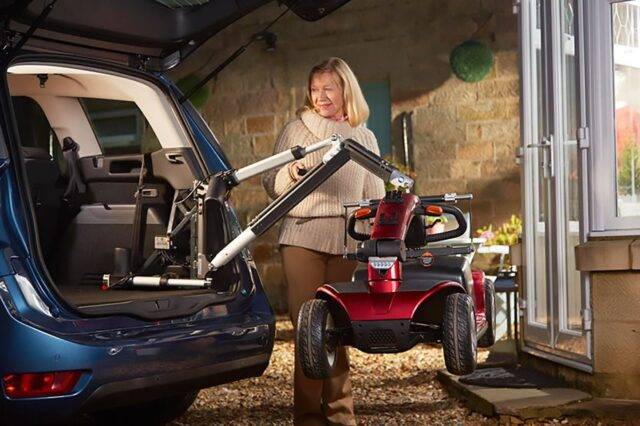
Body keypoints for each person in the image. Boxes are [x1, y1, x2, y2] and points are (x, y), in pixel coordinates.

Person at [262, 57, 385, 425]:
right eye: (315, 89)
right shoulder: (296, 130)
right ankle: (307, 418)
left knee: (336, 331)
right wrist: (291, 171)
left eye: (329, 88)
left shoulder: (364, 138)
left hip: (345, 243)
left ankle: (341, 416)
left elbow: (374, 199)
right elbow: (271, 184)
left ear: (346, 89)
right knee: (308, 331)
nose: (321, 96)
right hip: (302, 237)